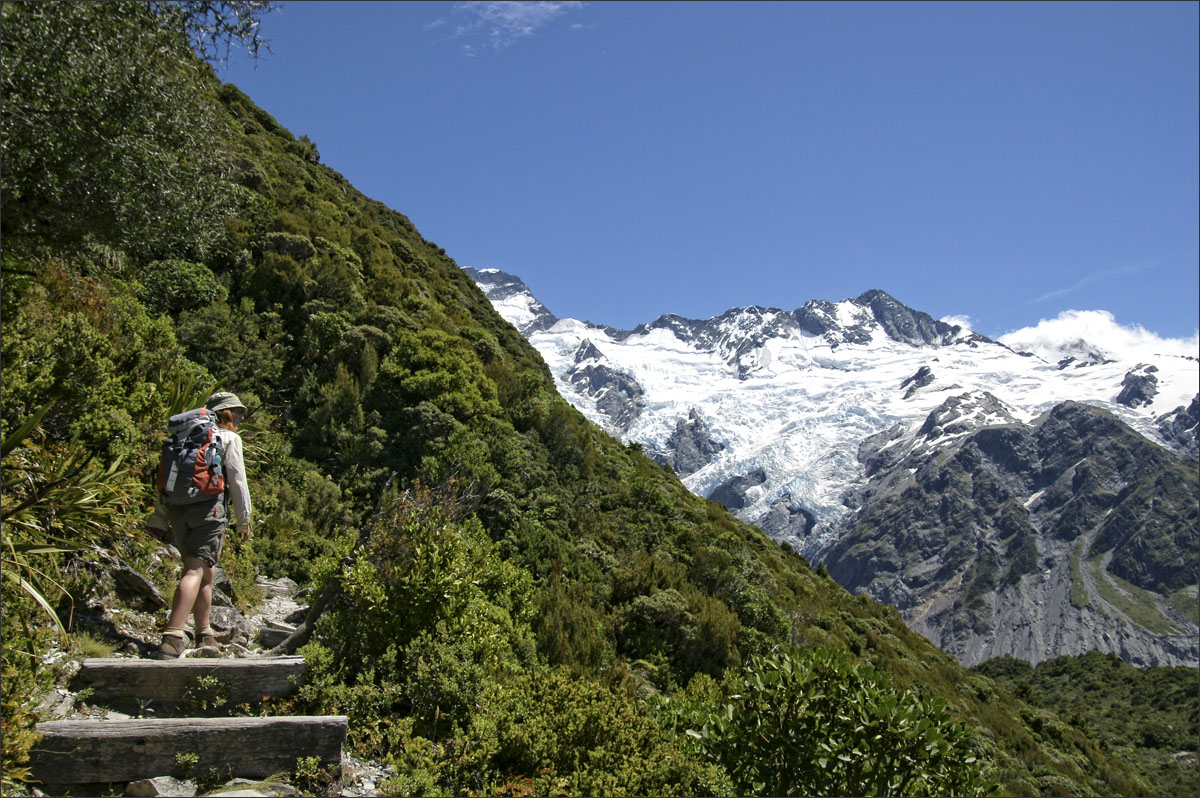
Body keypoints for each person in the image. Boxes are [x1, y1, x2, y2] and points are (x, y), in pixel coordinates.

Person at [158, 392, 253, 658]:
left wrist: (158, 518)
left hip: (178, 511)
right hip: (208, 512)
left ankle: (204, 633)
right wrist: (244, 521)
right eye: (238, 411)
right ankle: (173, 635)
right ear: (226, 413)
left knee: (206, 572)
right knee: (195, 571)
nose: (241, 417)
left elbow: (166, 480)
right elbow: (237, 482)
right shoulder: (229, 438)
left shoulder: (183, 438)